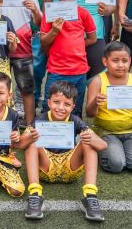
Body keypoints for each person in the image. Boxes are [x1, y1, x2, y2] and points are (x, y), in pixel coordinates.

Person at [22, 81, 107, 222]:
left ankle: (90, 196)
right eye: (56, 102)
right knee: (31, 142)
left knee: (89, 142)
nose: (61, 108)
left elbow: (103, 145)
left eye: (67, 104)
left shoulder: (76, 120)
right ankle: (35, 194)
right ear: (49, 103)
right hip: (45, 167)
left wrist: (89, 137)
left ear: (73, 107)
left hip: (70, 169)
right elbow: (20, 144)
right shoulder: (40, 120)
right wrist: (29, 137)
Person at [85, 42, 132, 174]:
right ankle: (106, 150)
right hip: (106, 131)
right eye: (115, 60)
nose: (120, 65)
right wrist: (95, 103)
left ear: (130, 61)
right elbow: (90, 113)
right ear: (105, 61)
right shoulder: (98, 81)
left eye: (125, 61)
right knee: (116, 165)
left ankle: (125, 151)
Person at [39, 0, 97, 115]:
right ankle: (49, 134)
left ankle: (73, 135)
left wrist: (76, 46)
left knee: (75, 108)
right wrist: (54, 31)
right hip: (57, 70)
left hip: (79, 70)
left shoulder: (83, 13)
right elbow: (43, 41)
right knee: (51, 107)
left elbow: (92, 38)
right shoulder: (49, 14)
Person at [0, 0, 41, 124]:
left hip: (23, 50)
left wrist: (35, 11)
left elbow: (38, 23)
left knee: (26, 89)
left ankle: (30, 125)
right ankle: (1, 124)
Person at [30, 0, 67, 109]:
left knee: (59, 69)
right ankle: (35, 98)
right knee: (36, 67)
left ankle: (56, 104)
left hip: (64, 29)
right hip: (41, 27)